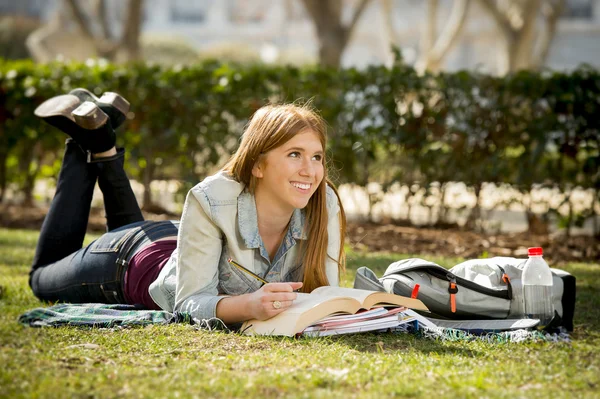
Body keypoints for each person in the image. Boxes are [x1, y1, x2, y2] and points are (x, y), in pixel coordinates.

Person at [29, 89, 347, 325]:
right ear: (258, 165)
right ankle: (81, 140)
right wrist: (248, 306)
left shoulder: (323, 202)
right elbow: (189, 302)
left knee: (129, 226)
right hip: (126, 263)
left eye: (316, 156)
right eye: (294, 154)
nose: (310, 170)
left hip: (172, 241)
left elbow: (325, 295)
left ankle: (101, 139)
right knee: (40, 278)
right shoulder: (211, 199)